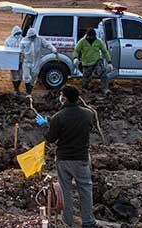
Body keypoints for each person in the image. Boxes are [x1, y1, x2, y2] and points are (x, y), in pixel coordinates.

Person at [35, 85, 98, 228]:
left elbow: (50, 138)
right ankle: (88, 221)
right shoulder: (88, 114)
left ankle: (67, 222)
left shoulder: (58, 117)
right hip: (81, 158)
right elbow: (88, 128)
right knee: (86, 189)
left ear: (64, 98)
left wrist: (46, 125)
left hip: (64, 159)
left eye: (61, 95)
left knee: (65, 191)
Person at [73, 28, 113, 94]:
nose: (92, 38)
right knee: (86, 78)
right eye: (90, 36)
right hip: (86, 62)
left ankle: (105, 89)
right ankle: (85, 88)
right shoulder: (82, 41)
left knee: (103, 74)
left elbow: (105, 52)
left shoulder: (98, 41)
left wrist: (109, 62)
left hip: (97, 61)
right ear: (87, 35)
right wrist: (75, 58)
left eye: (93, 36)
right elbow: (76, 50)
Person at [19, 28, 56, 95]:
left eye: (34, 36)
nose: (33, 38)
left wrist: (54, 50)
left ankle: (30, 90)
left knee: (34, 76)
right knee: (26, 76)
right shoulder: (24, 41)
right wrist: (20, 60)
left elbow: (48, 45)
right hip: (26, 62)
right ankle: (28, 91)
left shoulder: (40, 40)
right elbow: (21, 51)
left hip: (36, 62)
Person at [4, 26, 23, 93]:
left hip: (21, 60)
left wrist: (22, 61)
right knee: (14, 76)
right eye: (17, 33)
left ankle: (18, 87)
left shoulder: (23, 40)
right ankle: (16, 88)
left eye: (19, 33)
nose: (18, 35)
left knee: (20, 75)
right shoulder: (8, 40)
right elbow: (6, 51)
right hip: (12, 60)